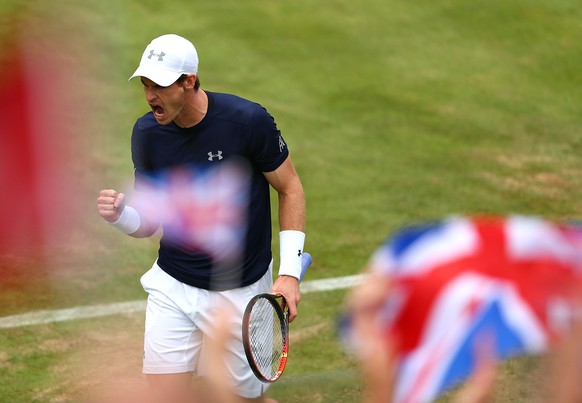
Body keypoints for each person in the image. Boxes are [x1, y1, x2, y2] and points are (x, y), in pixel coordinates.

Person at [97, 34, 306, 403]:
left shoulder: (247, 122)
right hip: (174, 286)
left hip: (242, 291)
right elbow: (148, 221)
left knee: (242, 399)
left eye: (159, 85)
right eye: (145, 84)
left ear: (188, 81)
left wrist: (289, 274)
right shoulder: (146, 134)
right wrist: (119, 216)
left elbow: (290, 188)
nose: (149, 96)